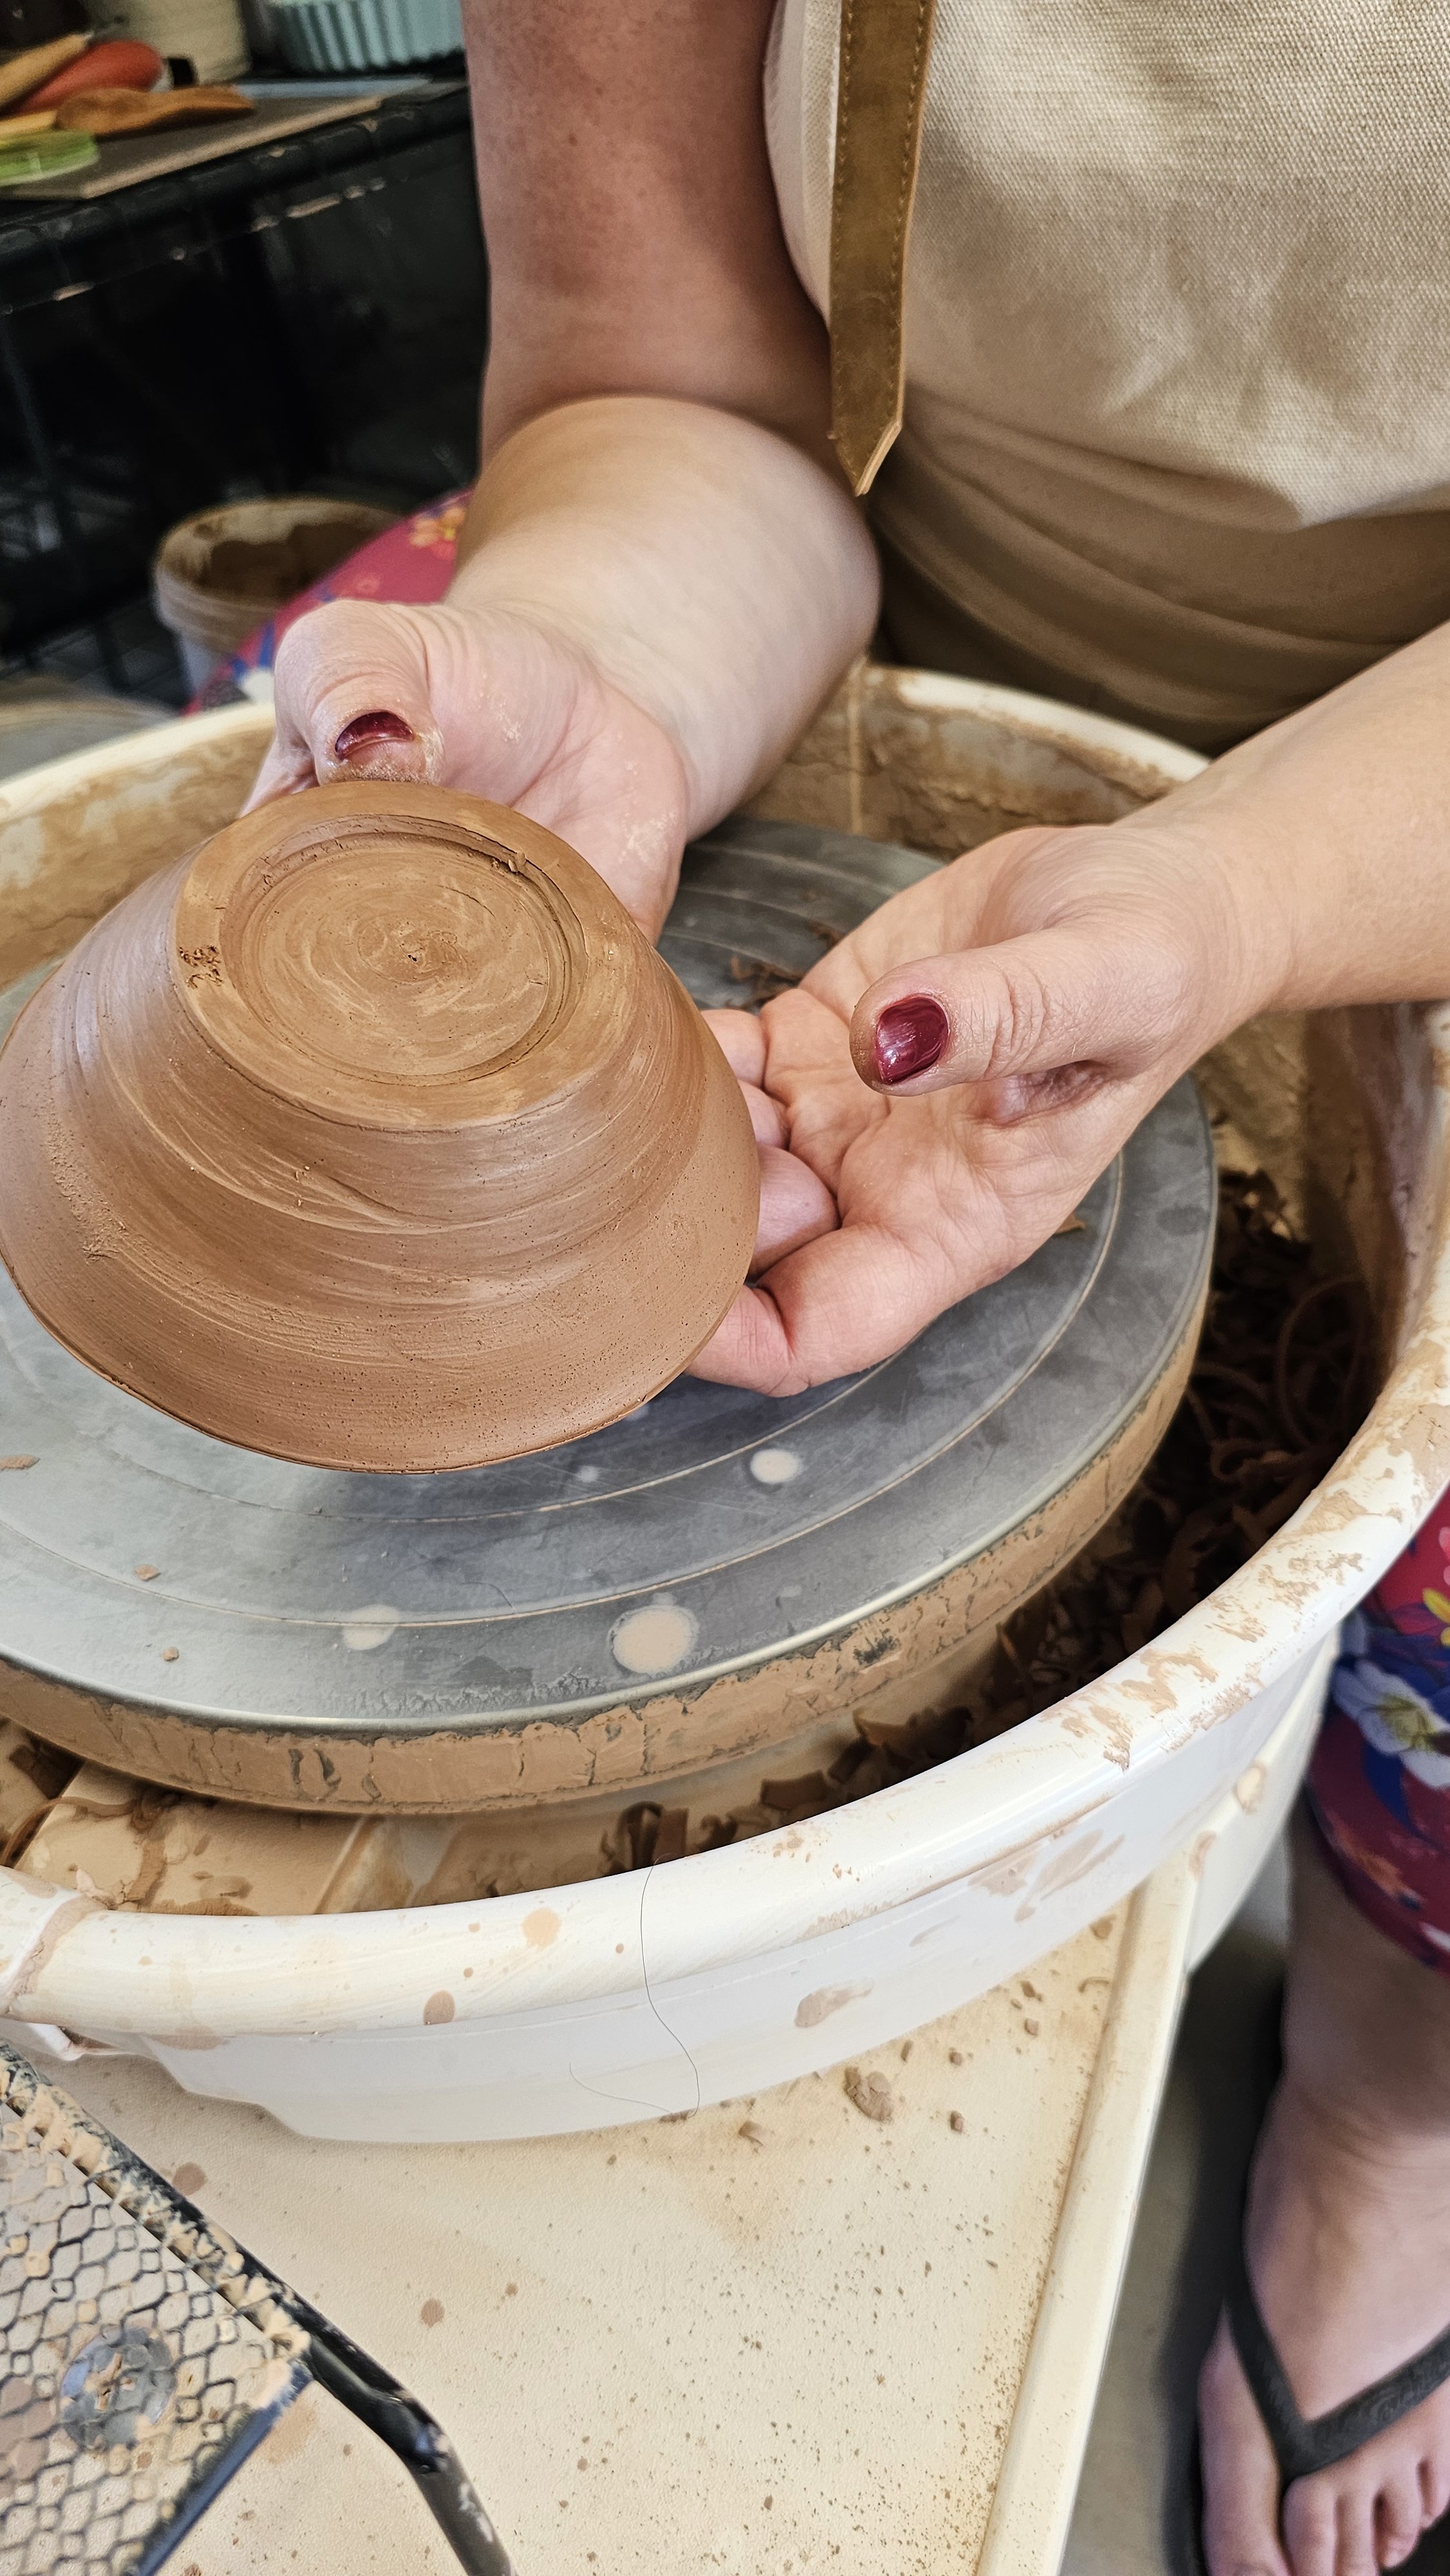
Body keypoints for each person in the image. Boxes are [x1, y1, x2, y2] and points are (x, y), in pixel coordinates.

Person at [248, 6, 1450, 2567]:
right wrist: (603, 677)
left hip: (1393, 784)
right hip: (898, 669)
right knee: (327, 807)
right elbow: (667, 377)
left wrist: (1227, 892)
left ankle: (1375, 2085)